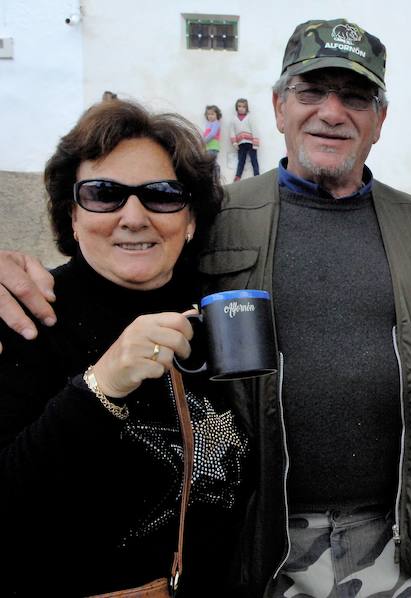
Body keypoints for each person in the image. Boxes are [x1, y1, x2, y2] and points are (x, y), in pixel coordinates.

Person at [0, 18, 411, 597]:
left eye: (356, 97)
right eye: (311, 92)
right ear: (278, 107)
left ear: (380, 118)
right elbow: (119, 267)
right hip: (265, 548)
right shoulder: (225, 216)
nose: (332, 112)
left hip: (397, 531)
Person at [0, 99, 248, 595]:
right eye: (103, 194)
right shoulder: (25, 315)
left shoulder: (220, 310)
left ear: (191, 219)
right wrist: (100, 386)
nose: (133, 217)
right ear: (72, 215)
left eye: (162, 196)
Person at [229, 97, 259, 181]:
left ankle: (257, 175)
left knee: (254, 160)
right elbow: (231, 131)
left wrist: (255, 144)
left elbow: (255, 130)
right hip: (241, 144)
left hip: (251, 143)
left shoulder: (250, 118)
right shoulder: (233, 119)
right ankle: (238, 176)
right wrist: (234, 142)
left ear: (246, 108)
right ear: (236, 107)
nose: (241, 108)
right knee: (241, 161)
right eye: (239, 106)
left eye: (243, 106)